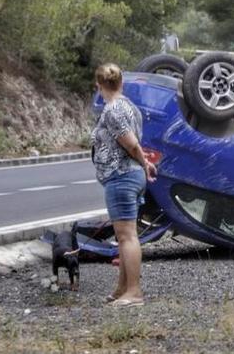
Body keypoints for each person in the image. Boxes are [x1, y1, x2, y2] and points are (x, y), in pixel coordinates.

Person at [90, 63, 157, 307]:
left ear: (98, 85)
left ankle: (134, 292)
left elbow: (130, 144)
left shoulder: (113, 110)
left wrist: (145, 163)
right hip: (129, 175)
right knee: (124, 236)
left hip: (122, 175)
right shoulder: (131, 107)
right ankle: (122, 288)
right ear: (121, 83)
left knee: (127, 236)